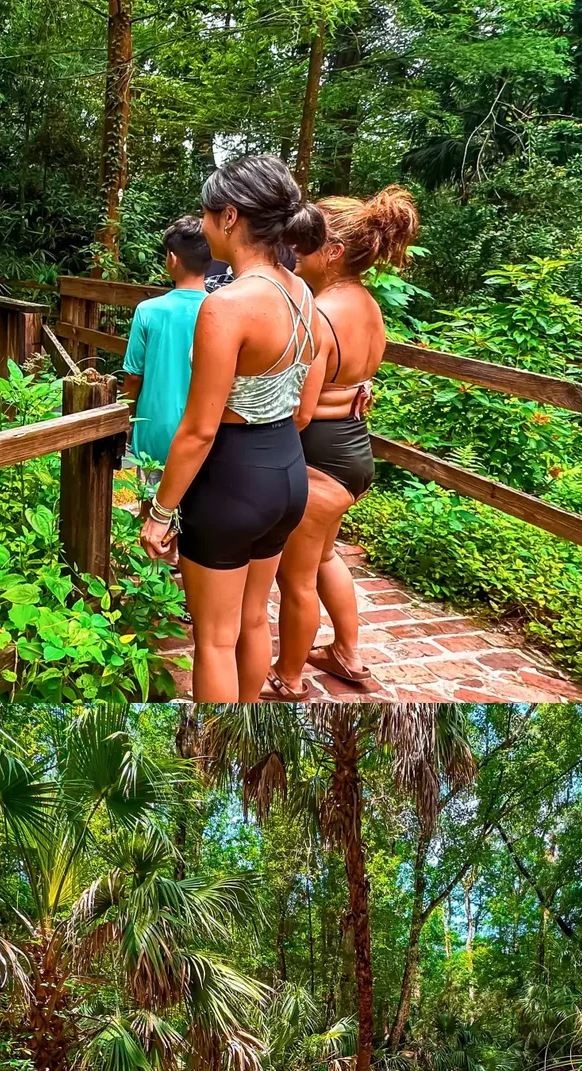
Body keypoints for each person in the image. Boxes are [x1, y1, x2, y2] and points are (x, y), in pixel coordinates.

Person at [137, 155, 330, 703]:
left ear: (228, 216)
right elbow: (299, 400)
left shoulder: (228, 307)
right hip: (286, 473)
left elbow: (199, 429)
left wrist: (160, 512)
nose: (200, 225)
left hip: (232, 479)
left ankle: (215, 748)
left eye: (204, 214)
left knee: (214, 641)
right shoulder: (301, 291)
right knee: (250, 622)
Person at [263, 187, 419, 701]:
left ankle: (287, 677)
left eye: (304, 245)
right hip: (354, 455)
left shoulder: (319, 314)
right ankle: (346, 653)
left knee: (296, 577)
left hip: (320, 463)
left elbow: (301, 409)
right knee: (327, 557)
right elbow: (353, 381)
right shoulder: (368, 306)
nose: (293, 253)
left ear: (331, 252)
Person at [121, 217, 212, 470]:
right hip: (204, 432)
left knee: (150, 502)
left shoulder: (148, 310)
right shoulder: (221, 311)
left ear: (172, 258)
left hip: (154, 430)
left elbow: (133, 377)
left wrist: (126, 420)